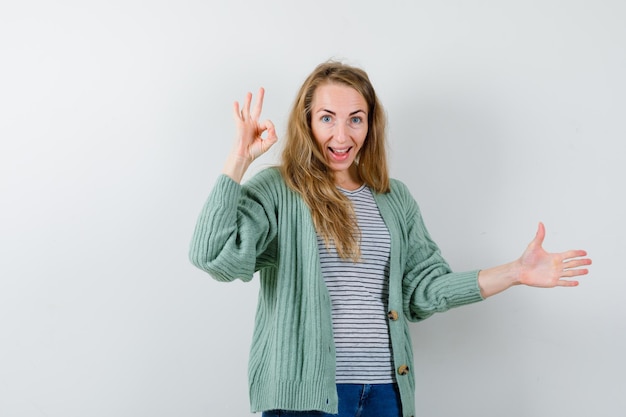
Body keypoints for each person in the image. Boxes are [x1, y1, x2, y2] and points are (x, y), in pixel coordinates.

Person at [188, 61, 591, 417]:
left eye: (355, 119)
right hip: (306, 399)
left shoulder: (394, 198)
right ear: (307, 121)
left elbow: (424, 291)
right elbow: (212, 255)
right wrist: (240, 156)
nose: (342, 134)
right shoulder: (279, 189)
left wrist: (516, 272)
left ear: (371, 124)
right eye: (327, 118)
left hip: (386, 393)